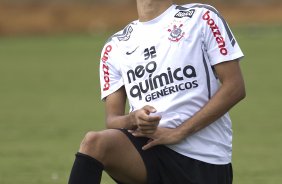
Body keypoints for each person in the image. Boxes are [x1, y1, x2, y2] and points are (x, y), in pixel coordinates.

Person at [68, 0, 246, 183]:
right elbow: (112, 120)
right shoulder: (115, 46)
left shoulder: (202, 17)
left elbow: (235, 87)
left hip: (204, 158)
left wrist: (178, 132)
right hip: (148, 150)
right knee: (95, 143)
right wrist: (132, 119)